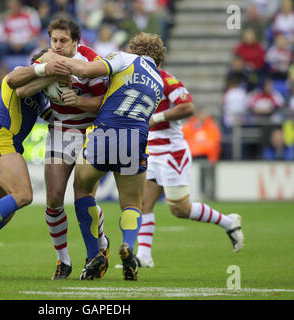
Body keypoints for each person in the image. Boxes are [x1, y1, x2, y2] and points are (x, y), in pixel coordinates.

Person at [40, 32, 166, 281]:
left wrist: (52, 59)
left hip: (105, 132)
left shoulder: (125, 58)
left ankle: (94, 254)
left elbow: (87, 71)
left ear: (134, 48)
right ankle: (128, 245)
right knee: (131, 203)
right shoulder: (159, 81)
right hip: (136, 137)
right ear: (159, 60)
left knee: (83, 189)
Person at [0, 50, 72, 278]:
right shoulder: (21, 72)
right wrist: (51, 73)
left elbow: (55, 117)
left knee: (5, 212)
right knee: (23, 195)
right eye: (52, 59)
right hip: (1, 141)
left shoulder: (40, 96)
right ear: (39, 61)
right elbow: (17, 85)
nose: (57, 62)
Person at [15, 18, 110, 280]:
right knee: (54, 197)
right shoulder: (46, 59)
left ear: (76, 41)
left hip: (91, 133)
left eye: (63, 40)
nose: (57, 45)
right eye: (53, 40)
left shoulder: (92, 62)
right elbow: (21, 89)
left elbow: (104, 103)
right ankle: (63, 260)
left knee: (84, 196)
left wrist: (79, 100)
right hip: (60, 132)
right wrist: (45, 72)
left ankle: (99, 247)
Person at [134, 70, 244, 269]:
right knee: (143, 203)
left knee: (179, 209)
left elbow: (187, 107)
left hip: (171, 153)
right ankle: (143, 256)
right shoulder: (137, 80)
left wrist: (156, 118)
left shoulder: (167, 81)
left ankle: (229, 222)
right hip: (152, 152)